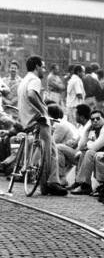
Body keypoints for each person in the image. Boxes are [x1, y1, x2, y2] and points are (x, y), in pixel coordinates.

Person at [17, 56, 67, 196]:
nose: (44, 70)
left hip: (26, 120)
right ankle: (52, 183)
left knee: (45, 150)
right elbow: (31, 94)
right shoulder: (35, 80)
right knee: (52, 150)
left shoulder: (24, 80)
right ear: (37, 66)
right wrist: (43, 111)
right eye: (43, 67)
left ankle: (46, 184)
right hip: (38, 119)